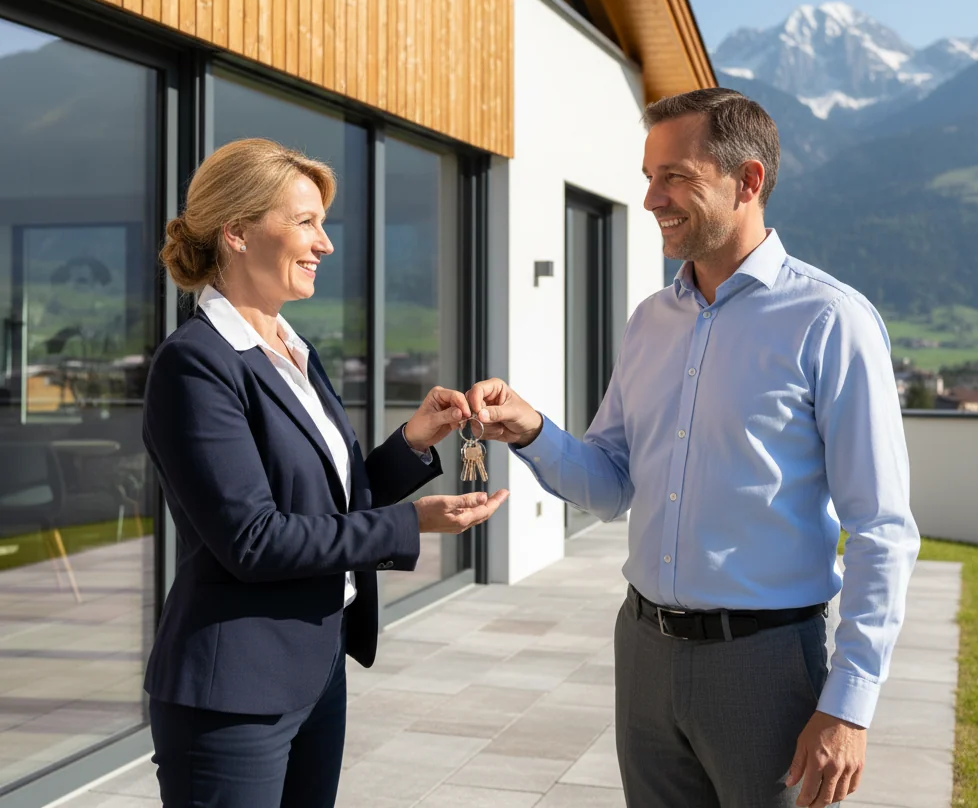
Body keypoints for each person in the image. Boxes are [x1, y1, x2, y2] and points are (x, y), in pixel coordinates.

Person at [467, 88, 920, 808]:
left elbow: (882, 531)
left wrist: (849, 705)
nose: (652, 198)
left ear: (748, 182)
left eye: (675, 176)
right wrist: (531, 431)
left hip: (768, 669)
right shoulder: (650, 321)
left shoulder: (831, 320)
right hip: (642, 652)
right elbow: (611, 484)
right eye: (649, 176)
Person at [144, 137, 508, 808]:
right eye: (306, 222)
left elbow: (323, 505)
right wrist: (411, 524)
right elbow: (254, 539)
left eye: (324, 224)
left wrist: (412, 443)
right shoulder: (197, 364)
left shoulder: (291, 349)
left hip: (314, 670)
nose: (325, 244)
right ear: (237, 233)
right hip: (235, 694)